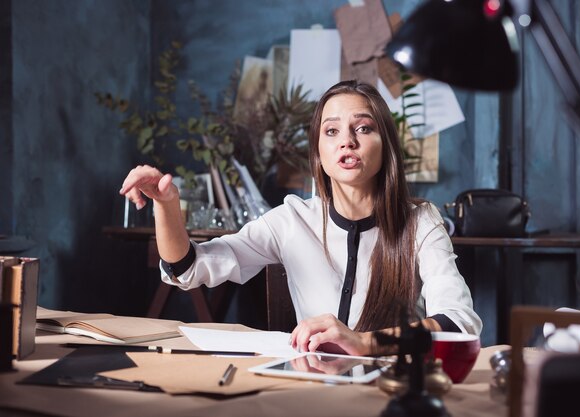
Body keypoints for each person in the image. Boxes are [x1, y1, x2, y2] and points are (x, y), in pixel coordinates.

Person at [119, 80, 482, 356]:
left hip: (394, 388)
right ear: (319, 152)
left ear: (385, 145)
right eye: (331, 131)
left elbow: (459, 322)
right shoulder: (292, 219)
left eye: (364, 128)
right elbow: (190, 269)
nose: (347, 141)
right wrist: (166, 206)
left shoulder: (421, 221)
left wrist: (363, 343)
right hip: (313, 389)